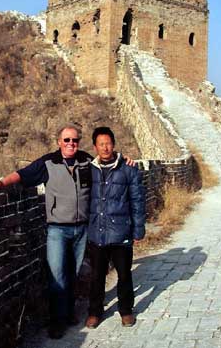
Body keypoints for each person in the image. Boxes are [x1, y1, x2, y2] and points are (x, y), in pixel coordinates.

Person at [0, 123, 134, 339]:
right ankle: (57, 321)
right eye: (66, 140)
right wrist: (2, 183)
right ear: (59, 142)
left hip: (82, 229)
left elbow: (110, 163)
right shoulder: (48, 162)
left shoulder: (87, 161)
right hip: (57, 229)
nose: (71, 144)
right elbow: (23, 174)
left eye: (75, 140)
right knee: (57, 275)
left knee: (72, 274)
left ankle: (68, 314)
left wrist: (127, 161)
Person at [85, 126, 146, 329]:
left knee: (124, 274)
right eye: (101, 144)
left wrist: (138, 230)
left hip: (121, 232)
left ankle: (126, 311)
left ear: (114, 144)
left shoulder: (128, 169)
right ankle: (94, 312)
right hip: (97, 231)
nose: (105, 147)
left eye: (108, 143)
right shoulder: (89, 168)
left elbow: (137, 201)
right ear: (95, 146)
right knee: (96, 276)